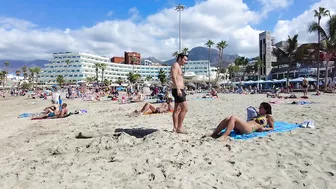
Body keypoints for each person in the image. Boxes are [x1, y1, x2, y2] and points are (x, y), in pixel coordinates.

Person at [210, 102, 274, 140]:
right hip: (245, 127)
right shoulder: (258, 115)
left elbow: (272, 128)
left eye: (261, 108)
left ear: (266, 110)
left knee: (233, 117)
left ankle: (224, 136)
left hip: (249, 129)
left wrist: (263, 129)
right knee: (228, 118)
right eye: (259, 107)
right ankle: (214, 134)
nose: (259, 109)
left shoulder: (268, 116)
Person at [170, 53, 188, 133]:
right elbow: (173, 77)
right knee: (185, 108)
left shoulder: (179, 66)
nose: (185, 61)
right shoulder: (175, 65)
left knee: (177, 109)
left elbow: (179, 78)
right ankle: (179, 128)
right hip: (177, 90)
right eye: (184, 59)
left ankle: (175, 128)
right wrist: (178, 89)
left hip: (180, 89)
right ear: (180, 58)